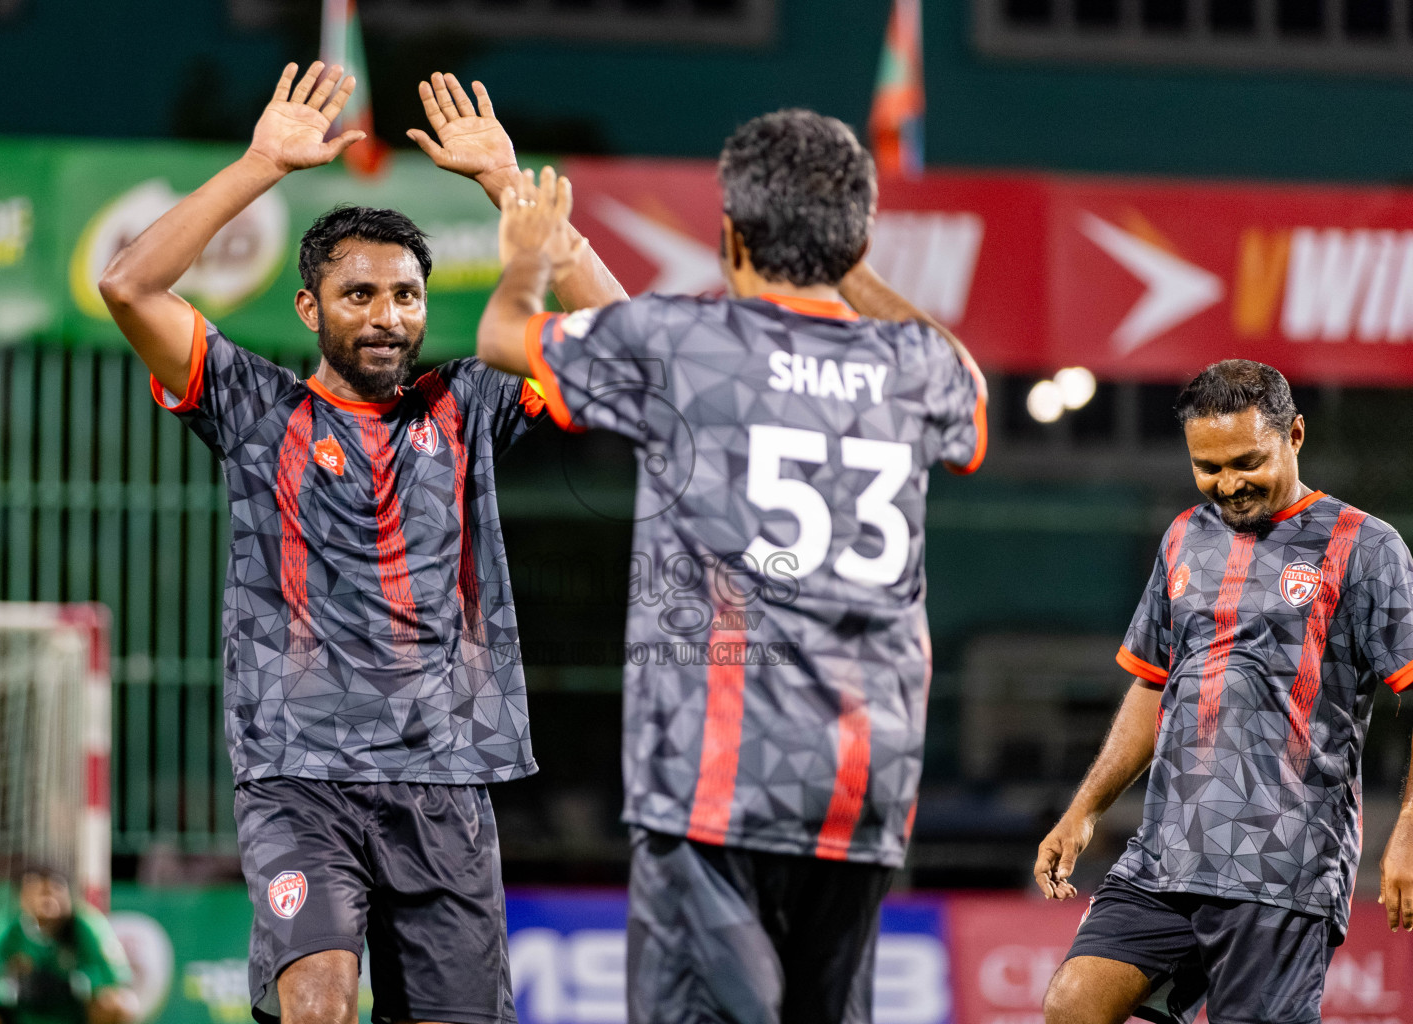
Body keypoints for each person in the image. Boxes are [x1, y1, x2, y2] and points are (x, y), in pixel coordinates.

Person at [97, 62, 624, 1024]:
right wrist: (262, 163)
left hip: (444, 778)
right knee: (321, 1005)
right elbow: (127, 283)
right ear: (310, 309)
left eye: (408, 296)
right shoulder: (255, 406)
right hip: (300, 775)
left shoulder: (469, 402)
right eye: (360, 296)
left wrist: (508, 185)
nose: (388, 317)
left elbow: (623, 343)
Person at [474, 111, 987, 1024]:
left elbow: (507, 337)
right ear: (858, 235)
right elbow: (971, 389)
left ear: (731, 236)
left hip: (716, 787)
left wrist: (526, 256)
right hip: (865, 789)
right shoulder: (915, 366)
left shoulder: (690, 343)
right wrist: (842, 260)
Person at [1034, 359, 1413, 1024]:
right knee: (1073, 1004)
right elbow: (1154, 684)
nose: (1228, 483)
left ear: (1293, 435)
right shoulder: (1184, 536)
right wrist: (1086, 807)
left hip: (1282, 867)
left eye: (1246, 461)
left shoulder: (1367, 546)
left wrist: (1410, 829)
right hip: (1165, 854)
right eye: (1208, 468)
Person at [0, 865, 137, 1024]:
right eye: (38, 891)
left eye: (56, 889)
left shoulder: (86, 925)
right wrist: (17, 990)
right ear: (22, 897)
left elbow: (116, 977)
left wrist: (71, 984)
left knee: (121, 1004)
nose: (47, 898)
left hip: (72, 1016)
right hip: (19, 1015)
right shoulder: (4, 927)